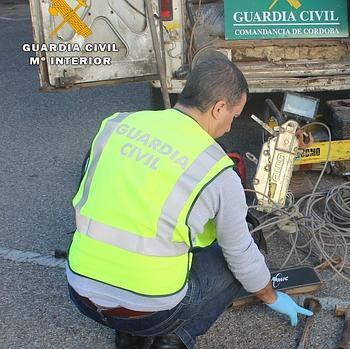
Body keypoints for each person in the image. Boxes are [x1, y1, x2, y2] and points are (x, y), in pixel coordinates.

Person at [66, 52, 313, 349]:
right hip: (150, 313)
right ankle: (174, 339)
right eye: (234, 116)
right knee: (249, 243)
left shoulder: (115, 125)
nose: (231, 127)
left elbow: (91, 191)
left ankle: (128, 337)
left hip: (81, 293)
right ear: (219, 108)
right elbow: (242, 257)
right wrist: (272, 297)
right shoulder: (217, 170)